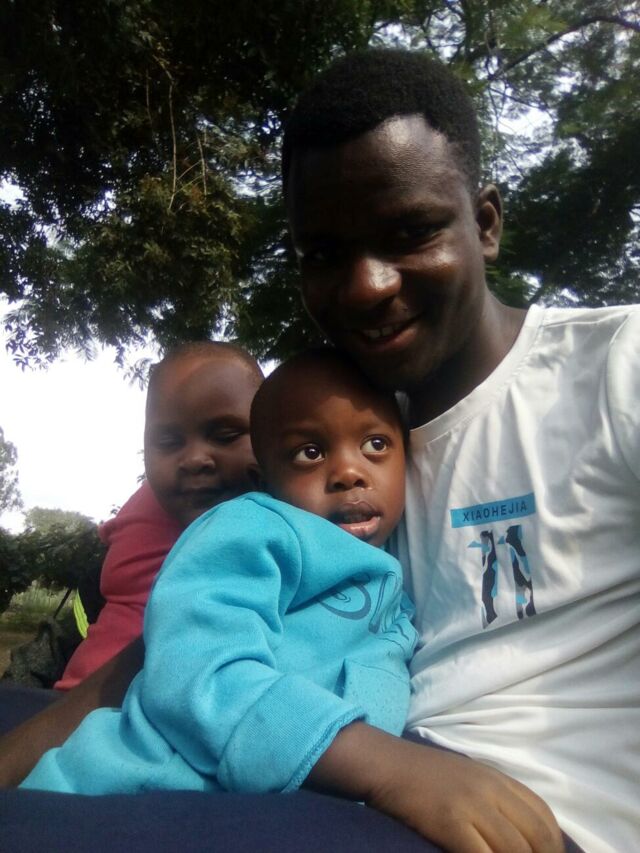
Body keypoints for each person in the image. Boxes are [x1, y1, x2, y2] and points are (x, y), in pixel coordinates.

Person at [282, 49, 638, 852]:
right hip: (360, 776)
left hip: (543, 821)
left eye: (409, 232)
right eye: (324, 254)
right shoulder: (344, 453)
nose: (367, 284)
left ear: (485, 223)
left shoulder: (614, 367)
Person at [21, 350, 417, 798]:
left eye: (376, 445)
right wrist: (390, 769)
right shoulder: (253, 528)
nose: (349, 472)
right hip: (127, 785)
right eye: (310, 453)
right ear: (264, 475)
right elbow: (195, 671)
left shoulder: (392, 581)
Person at [0, 341, 263, 720]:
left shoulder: (292, 516)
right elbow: (74, 627)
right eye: (168, 442)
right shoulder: (143, 515)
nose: (194, 459)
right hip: (71, 711)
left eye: (225, 435)